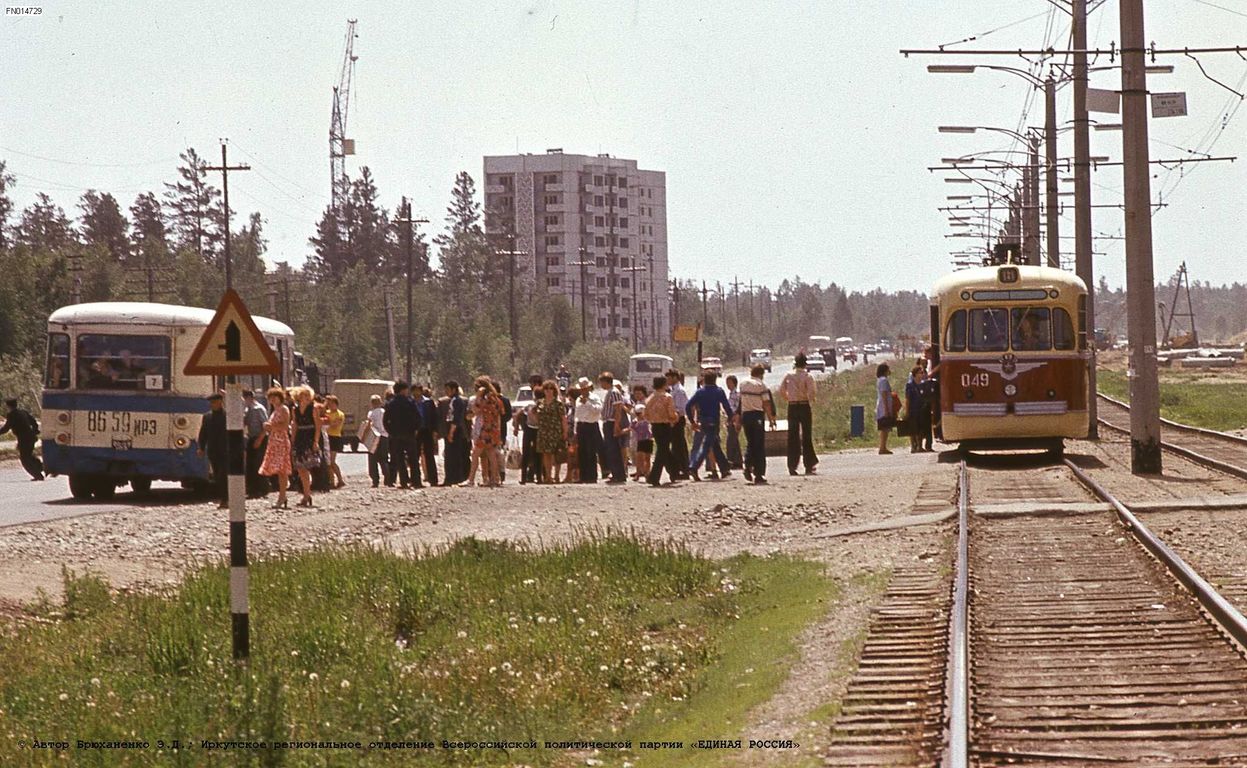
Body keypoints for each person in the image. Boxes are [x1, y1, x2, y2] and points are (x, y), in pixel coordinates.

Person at [686, 371, 733, 481]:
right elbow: (726, 406)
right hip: (714, 421)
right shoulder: (719, 391)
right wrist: (730, 418)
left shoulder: (700, 392)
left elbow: (688, 406)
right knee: (707, 445)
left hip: (703, 421)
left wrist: (692, 421)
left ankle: (724, 467)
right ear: (715, 379)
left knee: (714, 444)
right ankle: (694, 467)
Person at [779, 354, 819, 475]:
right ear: (805, 364)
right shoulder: (808, 377)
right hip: (804, 405)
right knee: (806, 435)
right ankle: (809, 464)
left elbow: (781, 390)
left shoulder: (788, 376)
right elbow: (812, 393)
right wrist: (809, 399)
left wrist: (789, 398)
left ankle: (792, 465)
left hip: (792, 406)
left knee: (793, 436)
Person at [738, 364, 777, 484]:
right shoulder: (761, 385)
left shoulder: (743, 384)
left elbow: (741, 401)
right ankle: (759, 473)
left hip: (746, 415)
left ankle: (748, 466)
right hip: (757, 416)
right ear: (761, 374)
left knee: (750, 443)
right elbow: (766, 403)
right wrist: (771, 419)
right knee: (759, 445)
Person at [384, 381, 423, 489]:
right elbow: (418, 418)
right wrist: (415, 429)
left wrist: (391, 432)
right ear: (402, 390)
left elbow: (385, 420)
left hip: (396, 435)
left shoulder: (390, 404)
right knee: (413, 459)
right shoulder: (410, 402)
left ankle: (404, 482)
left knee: (400, 459)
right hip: (409, 434)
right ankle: (416, 481)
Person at [644, 376, 682, 486]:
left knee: (663, 449)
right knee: (662, 451)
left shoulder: (650, 398)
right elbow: (671, 413)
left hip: (655, 426)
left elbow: (645, 414)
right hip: (665, 426)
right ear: (664, 384)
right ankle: (654, 477)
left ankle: (674, 470)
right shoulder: (667, 397)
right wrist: (676, 417)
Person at [259, 387, 292, 508]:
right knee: (279, 471)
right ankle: (282, 495)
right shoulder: (275, 410)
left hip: (281, 441)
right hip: (274, 441)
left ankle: (282, 496)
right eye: (270, 397)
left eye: (274, 397)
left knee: (282, 470)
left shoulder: (284, 409)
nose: (272, 400)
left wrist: (270, 425)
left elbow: (284, 425)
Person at [290, 386, 322, 506]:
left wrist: (316, 441)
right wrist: (292, 441)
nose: (306, 398)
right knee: (300, 468)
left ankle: (307, 494)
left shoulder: (313, 409)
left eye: (308, 396)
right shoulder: (295, 409)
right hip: (300, 438)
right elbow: (294, 425)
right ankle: (306, 494)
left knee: (308, 466)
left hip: (309, 437)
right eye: (304, 395)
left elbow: (318, 426)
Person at [196, 392, 228, 507]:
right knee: (217, 476)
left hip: (226, 450)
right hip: (213, 451)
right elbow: (203, 433)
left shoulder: (227, 416)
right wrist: (201, 447)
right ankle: (223, 497)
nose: (212, 404)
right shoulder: (207, 416)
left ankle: (226, 499)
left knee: (223, 475)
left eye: (214, 402)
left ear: (220, 402)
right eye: (211, 403)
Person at [471, 377, 504, 488]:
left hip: (486, 429)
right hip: (494, 430)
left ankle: (470, 479)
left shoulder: (485, 399)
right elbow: (501, 413)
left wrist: (478, 397)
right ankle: (494, 479)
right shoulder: (496, 399)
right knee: (491, 454)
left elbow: (475, 410)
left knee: (475, 453)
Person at [1, 398, 43, 481]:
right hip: (31, 437)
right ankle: (42, 467)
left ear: (8, 406)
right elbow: (33, 421)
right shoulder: (23, 412)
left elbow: (6, 428)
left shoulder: (11, 415)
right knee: (29, 455)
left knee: (25, 459)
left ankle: (38, 475)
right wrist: (35, 431)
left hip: (24, 439)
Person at [598, 372, 629, 484]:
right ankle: (616, 473)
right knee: (610, 449)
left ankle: (619, 474)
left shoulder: (614, 392)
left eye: (601, 382)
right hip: (607, 422)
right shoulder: (609, 393)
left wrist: (616, 425)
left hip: (611, 422)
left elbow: (618, 410)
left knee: (614, 449)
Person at [535, 379, 567, 484]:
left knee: (556, 453)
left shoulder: (558, 404)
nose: (548, 391)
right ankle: (548, 476)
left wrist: (565, 432)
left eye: (551, 389)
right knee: (546, 454)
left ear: (554, 390)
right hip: (543, 431)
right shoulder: (540, 403)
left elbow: (563, 418)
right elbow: (535, 414)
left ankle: (556, 475)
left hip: (555, 431)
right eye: (546, 389)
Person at [573, 376, 603, 483]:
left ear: (589, 388)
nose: (583, 391)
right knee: (582, 452)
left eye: (585, 388)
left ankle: (592, 476)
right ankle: (583, 476)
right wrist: (575, 431)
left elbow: (598, 410)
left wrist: (587, 403)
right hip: (581, 426)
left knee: (591, 451)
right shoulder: (578, 400)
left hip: (591, 426)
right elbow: (577, 415)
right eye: (581, 389)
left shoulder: (595, 398)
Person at [242, 389, 269, 498]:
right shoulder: (248, 410)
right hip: (251, 437)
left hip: (260, 438)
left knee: (258, 463)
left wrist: (259, 439)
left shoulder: (259, 409)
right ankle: (252, 489)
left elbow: (265, 426)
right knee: (251, 464)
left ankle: (262, 489)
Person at [665, 369, 691, 479]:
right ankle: (680, 469)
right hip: (672, 420)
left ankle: (685, 470)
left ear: (675, 377)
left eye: (669, 378)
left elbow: (681, 409)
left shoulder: (679, 391)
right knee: (677, 446)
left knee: (679, 446)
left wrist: (673, 419)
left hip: (677, 420)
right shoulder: (672, 390)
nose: (668, 380)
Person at [443, 381, 469, 486]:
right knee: (450, 455)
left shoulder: (457, 401)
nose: (446, 392)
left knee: (454, 455)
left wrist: (451, 432)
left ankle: (455, 478)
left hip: (455, 430)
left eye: (448, 389)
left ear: (454, 389)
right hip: (452, 428)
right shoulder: (453, 400)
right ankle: (451, 478)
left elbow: (456, 418)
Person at [362, 394, 391, 487]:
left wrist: (363, 437)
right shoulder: (384, 411)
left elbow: (368, 425)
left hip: (374, 438)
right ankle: (388, 478)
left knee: (373, 459)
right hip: (384, 436)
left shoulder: (371, 413)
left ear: (372, 403)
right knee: (384, 458)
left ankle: (375, 480)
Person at [415, 385, 440, 486]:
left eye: (417, 391)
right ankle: (415, 479)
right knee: (415, 455)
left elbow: (434, 417)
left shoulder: (428, 402)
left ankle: (433, 479)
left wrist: (435, 431)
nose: (416, 393)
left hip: (427, 430)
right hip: (416, 431)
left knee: (429, 454)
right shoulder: (411, 402)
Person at [323, 394, 347, 489]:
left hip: (335, 438)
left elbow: (335, 425)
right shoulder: (326, 412)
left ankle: (340, 480)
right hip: (327, 437)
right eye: (328, 403)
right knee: (327, 461)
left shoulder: (339, 414)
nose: (330, 405)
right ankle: (331, 481)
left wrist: (326, 422)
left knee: (332, 461)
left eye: (332, 403)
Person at [630, 385, 653, 481]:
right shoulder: (637, 403)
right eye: (635, 394)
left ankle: (646, 472)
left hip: (647, 437)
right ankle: (639, 472)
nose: (637, 395)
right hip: (638, 434)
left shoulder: (646, 403)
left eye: (639, 393)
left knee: (646, 456)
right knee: (638, 454)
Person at [905, 366, 927, 454]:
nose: (922, 375)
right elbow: (907, 399)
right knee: (912, 428)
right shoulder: (910, 385)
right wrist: (907, 411)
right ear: (915, 374)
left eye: (922, 373)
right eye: (920, 373)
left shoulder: (922, 384)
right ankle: (913, 446)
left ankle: (920, 446)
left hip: (921, 408)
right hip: (913, 409)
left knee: (921, 428)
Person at [724, 375, 743, 470]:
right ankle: (737, 461)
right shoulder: (730, 394)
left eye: (729, 383)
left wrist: (735, 418)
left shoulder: (737, 394)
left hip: (735, 418)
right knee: (734, 440)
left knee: (731, 440)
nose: (727, 385)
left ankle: (732, 460)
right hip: (730, 418)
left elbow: (736, 407)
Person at [876, 362, 896, 455]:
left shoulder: (880, 380)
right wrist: (886, 409)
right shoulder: (884, 380)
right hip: (884, 407)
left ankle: (883, 446)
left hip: (882, 406)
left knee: (885, 428)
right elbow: (884, 394)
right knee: (885, 428)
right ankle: (882, 447)